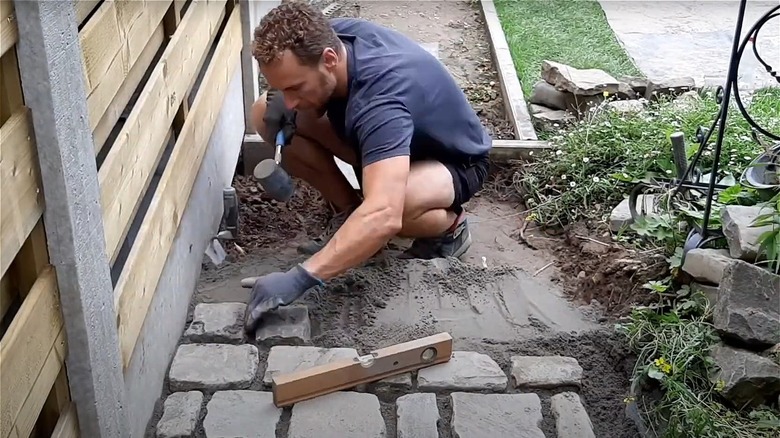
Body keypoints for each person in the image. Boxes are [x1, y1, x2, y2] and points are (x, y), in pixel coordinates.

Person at [242, 1, 492, 333]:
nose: (288, 99)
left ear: (329, 60)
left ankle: (450, 230)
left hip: (452, 162)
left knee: (394, 209)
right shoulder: (330, 39)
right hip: (385, 143)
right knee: (265, 113)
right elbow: (286, 96)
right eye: (282, 87)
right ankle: (349, 217)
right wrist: (280, 99)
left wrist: (299, 279)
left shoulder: (381, 101)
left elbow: (383, 214)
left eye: (295, 88)